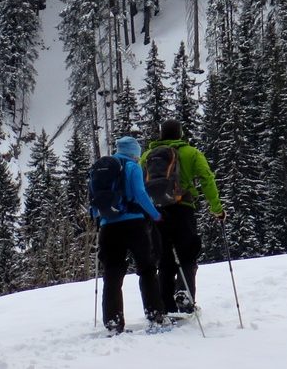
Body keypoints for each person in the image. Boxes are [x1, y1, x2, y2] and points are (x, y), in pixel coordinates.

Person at [142, 119, 222, 314]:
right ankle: (184, 294)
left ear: (161, 134)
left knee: (165, 258)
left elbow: (139, 185)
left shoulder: (146, 156)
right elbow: (206, 178)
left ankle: (165, 304)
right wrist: (216, 208)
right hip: (183, 208)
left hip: (157, 213)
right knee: (187, 254)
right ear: (180, 134)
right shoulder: (190, 153)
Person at [95, 136, 167, 334]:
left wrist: (99, 219)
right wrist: (156, 215)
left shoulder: (102, 167)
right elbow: (140, 194)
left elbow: (94, 199)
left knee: (112, 274)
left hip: (108, 227)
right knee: (147, 269)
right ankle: (155, 315)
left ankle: (113, 322)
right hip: (134, 224)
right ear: (134, 151)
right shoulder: (132, 167)